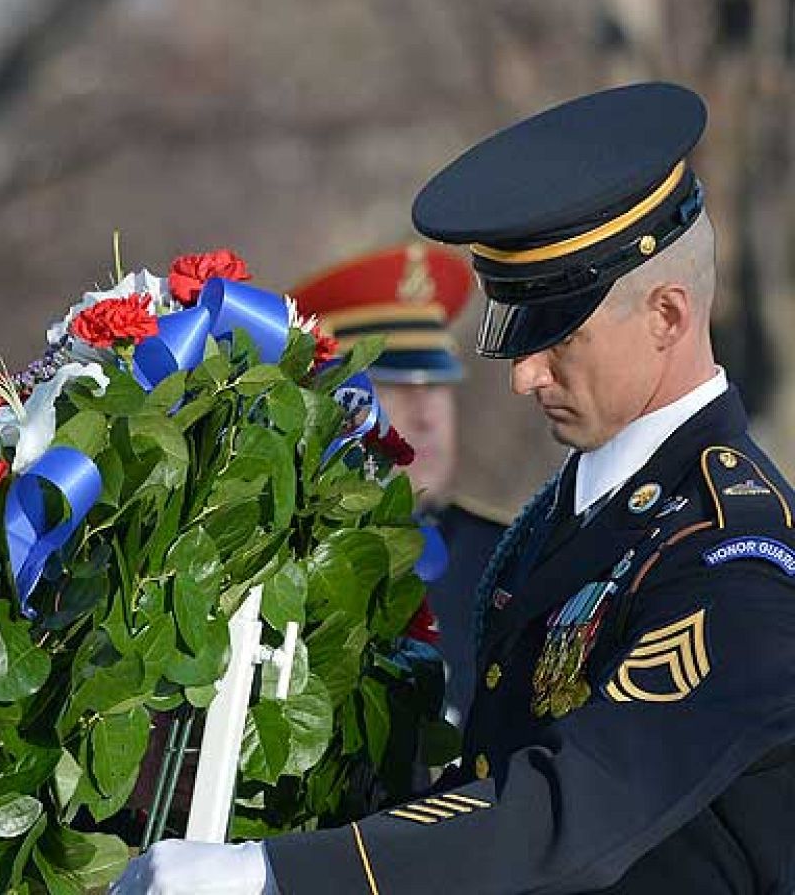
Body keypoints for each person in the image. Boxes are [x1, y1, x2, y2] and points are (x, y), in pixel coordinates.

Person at [115, 82, 795, 894]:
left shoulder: (736, 558)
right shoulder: (572, 509)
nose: (526, 376)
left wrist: (275, 873)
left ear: (668, 316)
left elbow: (562, 810)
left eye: (561, 340)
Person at [292, 243, 510, 724]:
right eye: (396, 388)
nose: (428, 416)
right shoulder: (280, 555)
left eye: (436, 387)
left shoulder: (505, 564)